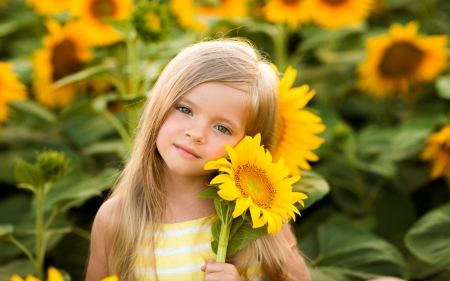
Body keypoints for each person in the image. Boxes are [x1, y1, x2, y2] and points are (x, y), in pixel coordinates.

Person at [86, 39, 311, 281]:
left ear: (249, 145)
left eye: (222, 128)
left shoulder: (261, 219)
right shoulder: (117, 220)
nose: (196, 133)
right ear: (160, 104)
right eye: (185, 110)